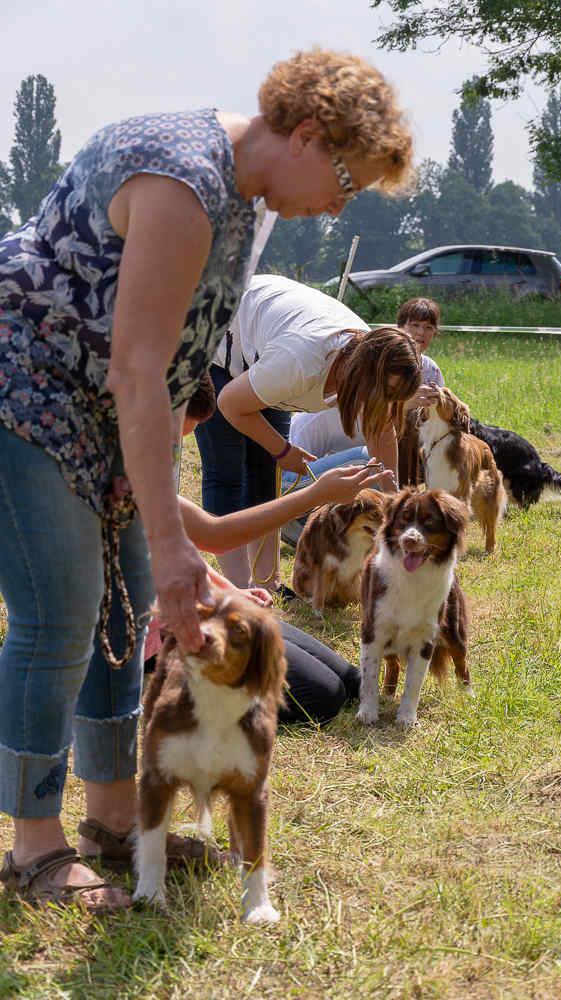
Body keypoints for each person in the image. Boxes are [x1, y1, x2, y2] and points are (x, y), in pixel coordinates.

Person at [0, 49, 413, 912]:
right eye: (346, 179)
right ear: (305, 134)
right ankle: (32, 847)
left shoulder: (245, 196)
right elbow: (138, 368)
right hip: (26, 395)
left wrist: (154, 514)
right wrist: (169, 536)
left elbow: (170, 360)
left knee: (125, 611)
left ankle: (112, 821)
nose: (340, 204)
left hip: (104, 409)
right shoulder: (184, 182)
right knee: (57, 621)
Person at [145, 374, 390, 728]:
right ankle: (181, 685)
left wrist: (230, 593)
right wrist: (315, 494)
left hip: (205, 607)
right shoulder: (120, 474)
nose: (173, 446)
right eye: (174, 434)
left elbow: (184, 546)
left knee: (352, 682)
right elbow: (215, 535)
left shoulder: (149, 470)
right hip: (168, 632)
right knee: (322, 700)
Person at [194, 275, 422, 589]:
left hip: (269, 344)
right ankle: (238, 589)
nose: (383, 404)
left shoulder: (380, 361)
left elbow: (381, 433)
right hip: (219, 334)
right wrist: (283, 451)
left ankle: (266, 583)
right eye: (384, 394)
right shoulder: (300, 364)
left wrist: (394, 501)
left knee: (265, 473)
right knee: (227, 469)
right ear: (361, 374)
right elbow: (230, 404)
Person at [281, 297, 444, 543]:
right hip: (290, 480)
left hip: (328, 476)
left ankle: (305, 523)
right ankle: (292, 518)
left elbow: (393, 439)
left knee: (384, 460)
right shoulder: (355, 386)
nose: (421, 333)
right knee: (369, 461)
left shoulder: (424, 371)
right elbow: (379, 452)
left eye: (428, 327)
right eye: (415, 325)